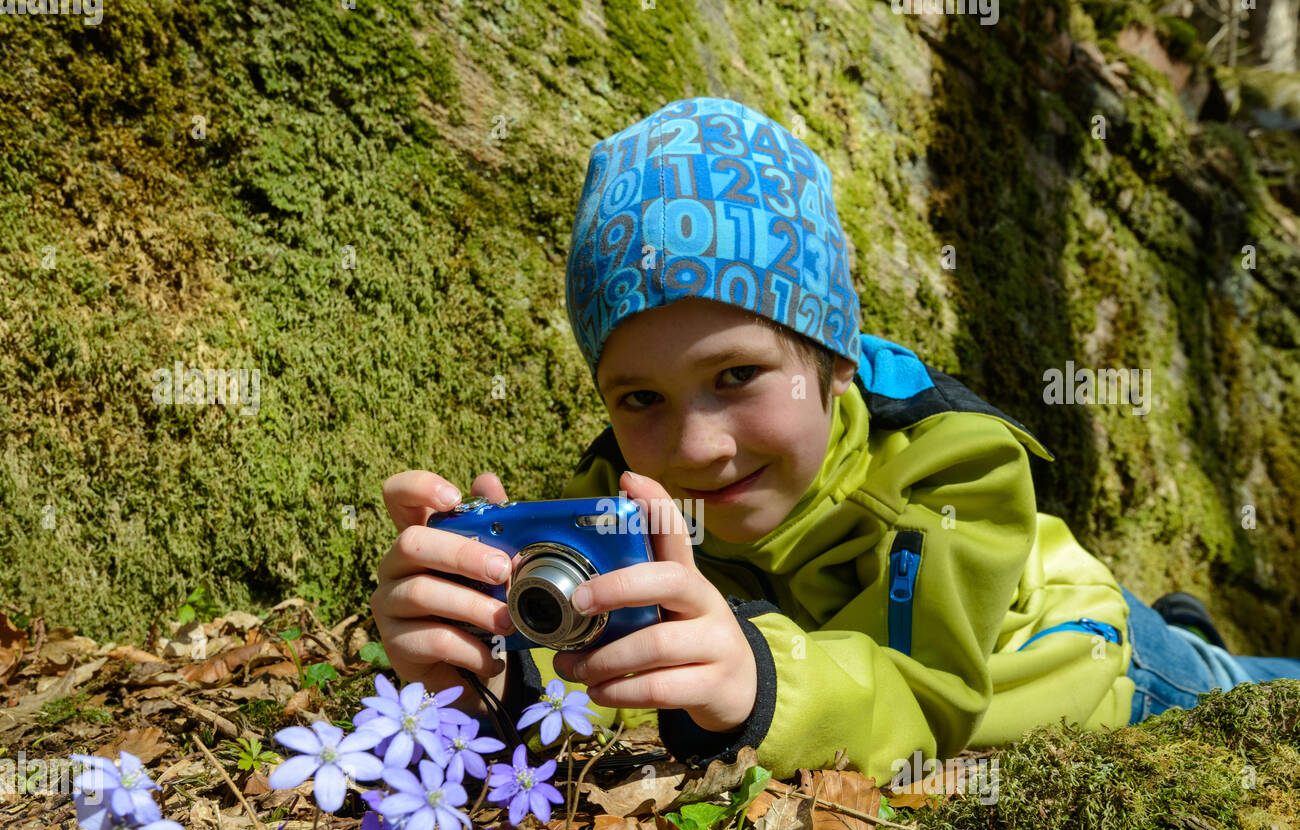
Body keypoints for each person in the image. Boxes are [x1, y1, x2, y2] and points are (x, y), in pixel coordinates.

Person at [371, 97, 1300, 786]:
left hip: (1082, 651)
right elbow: (607, 681)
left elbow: (933, 699)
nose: (694, 448)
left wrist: (762, 680)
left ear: (837, 358)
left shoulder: (952, 467)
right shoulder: (620, 502)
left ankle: (1184, 635)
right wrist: (487, 671)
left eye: (737, 376)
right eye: (642, 396)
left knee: (1243, 690)